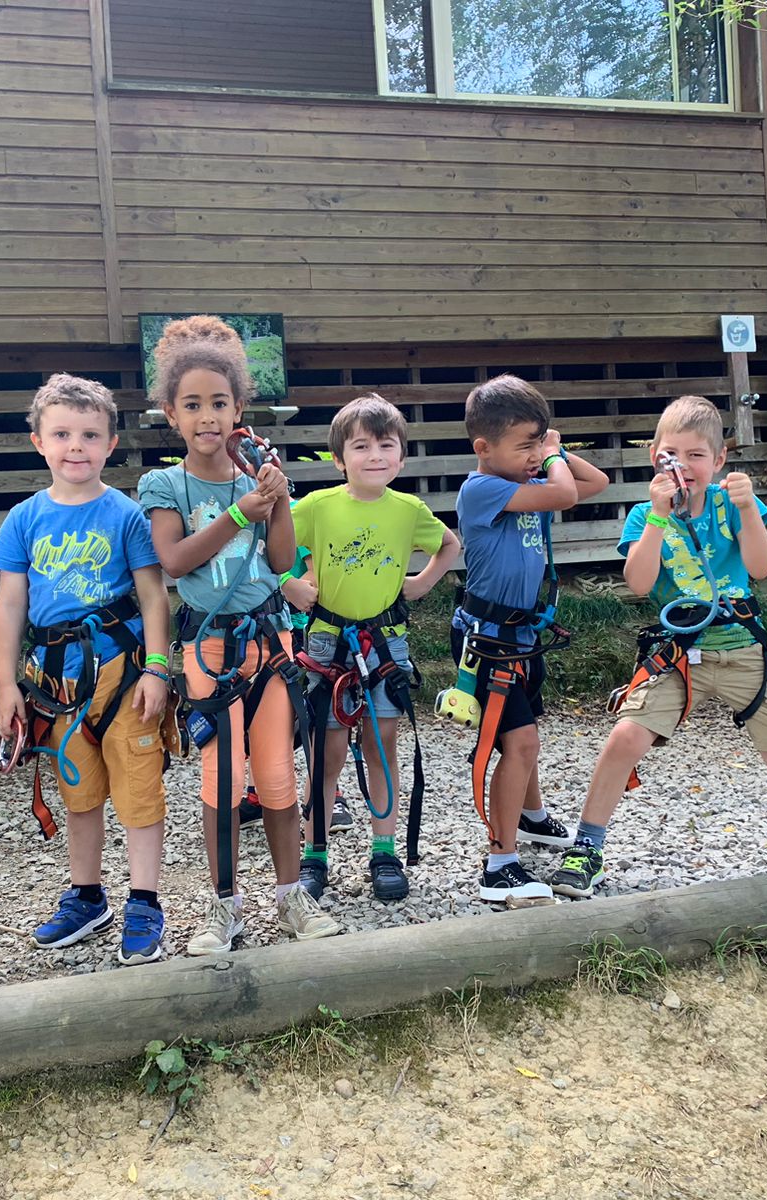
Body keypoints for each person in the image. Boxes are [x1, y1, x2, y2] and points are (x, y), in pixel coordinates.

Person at [548, 395, 767, 900]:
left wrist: (748, 511)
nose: (684, 467)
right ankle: (588, 847)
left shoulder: (731, 505)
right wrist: (658, 520)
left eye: (696, 456)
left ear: (719, 461)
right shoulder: (646, 515)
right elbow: (640, 583)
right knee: (624, 739)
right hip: (680, 653)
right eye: (673, 454)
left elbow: (759, 567)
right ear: (655, 459)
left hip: (743, 650)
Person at [137, 314, 340, 954]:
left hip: (271, 643)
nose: (207, 417)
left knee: (277, 773)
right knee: (221, 776)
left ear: (239, 409)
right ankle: (223, 907)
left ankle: (290, 898)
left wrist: (274, 499)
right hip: (207, 647)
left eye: (218, 403)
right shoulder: (164, 484)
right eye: (192, 404)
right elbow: (174, 560)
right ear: (170, 413)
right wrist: (237, 512)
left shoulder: (259, 475)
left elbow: (282, 563)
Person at [0, 374, 173, 965]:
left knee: (139, 787)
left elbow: (153, 598)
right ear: (37, 441)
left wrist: (159, 669)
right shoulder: (23, 519)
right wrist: (3, 685)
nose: (76, 446)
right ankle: (87, 895)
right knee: (79, 791)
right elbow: (10, 603)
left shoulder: (126, 515)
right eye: (62, 433)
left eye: (90, 435)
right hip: (54, 681)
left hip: (123, 674)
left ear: (111, 443)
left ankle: (144, 899)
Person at [286, 394, 460, 902]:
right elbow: (270, 545)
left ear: (401, 456)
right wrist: (289, 584)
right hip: (326, 641)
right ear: (339, 458)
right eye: (361, 446)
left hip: (385, 644)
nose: (375, 456)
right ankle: (315, 852)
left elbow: (448, 545)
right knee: (327, 751)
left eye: (386, 445)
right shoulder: (316, 507)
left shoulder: (409, 510)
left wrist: (423, 582)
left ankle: (384, 850)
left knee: (382, 747)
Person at [451, 376, 610, 906]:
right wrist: (551, 457)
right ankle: (499, 863)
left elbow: (598, 482)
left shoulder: (525, 481)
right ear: (483, 448)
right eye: (524, 446)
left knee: (525, 735)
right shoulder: (483, 490)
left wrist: (552, 450)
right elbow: (567, 491)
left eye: (537, 444)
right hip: (489, 641)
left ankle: (533, 818)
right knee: (519, 744)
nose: (533, 456)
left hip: (522, 636)